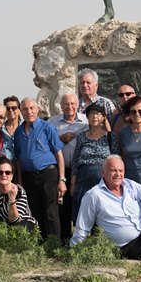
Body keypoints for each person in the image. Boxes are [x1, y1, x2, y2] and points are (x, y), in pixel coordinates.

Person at [14, 98, 65, 240]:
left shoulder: (47, 127)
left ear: (37, 109)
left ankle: (54, 243)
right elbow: (18, 158)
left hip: (48, 173)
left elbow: (59, 154)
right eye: (25, 109)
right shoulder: (18, 132)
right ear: (21, 111)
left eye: (32, 108)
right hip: (29, 176)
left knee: (51, 211)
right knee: (34, 210)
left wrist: (62, 179)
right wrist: (20, 180)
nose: (29, 111)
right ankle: (39, 242)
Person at [48, 94, 88, 242]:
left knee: (81, 203)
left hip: (81, 170)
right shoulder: (52, 123)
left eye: (72, 103)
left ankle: (81, 238)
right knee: (63, 205)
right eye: (66, 104)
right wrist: (60, 139)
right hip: (61, 170)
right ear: (61, 106)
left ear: (77, 104)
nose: (69, 107)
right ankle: (64, 237)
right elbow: (47, 144)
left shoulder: (86, 121)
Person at [70, 103, 115, 222]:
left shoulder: (110, 137)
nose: (95, 117)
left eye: (98, 114)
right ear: (87, 117)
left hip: (104, 179)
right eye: (92, 114)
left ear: (103, 117)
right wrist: (73, 183)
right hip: (83, 178)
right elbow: (75, 160)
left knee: (103, 213)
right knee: (83, 214)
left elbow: (117, 160)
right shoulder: (81, 137)